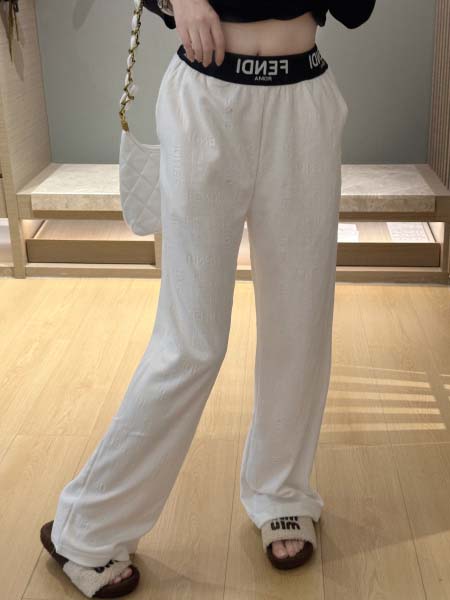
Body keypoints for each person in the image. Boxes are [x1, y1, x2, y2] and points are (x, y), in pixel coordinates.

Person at [41, 0, 376, 597]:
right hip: (207, 95)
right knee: (191, 341)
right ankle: (86, 527)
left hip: (303, 96)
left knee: (300, 324)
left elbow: (356, 9)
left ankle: (282, 492)